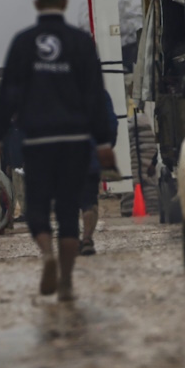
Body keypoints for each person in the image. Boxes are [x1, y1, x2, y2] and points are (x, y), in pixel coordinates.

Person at [0, 0, 117, 302]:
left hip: (38, 141)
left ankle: (47, 256)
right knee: (69, 211)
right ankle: (67, 282)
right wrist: (103, 143)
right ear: (66, 3)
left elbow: (7, 96)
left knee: (37, 208)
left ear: (37, 5)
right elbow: (95, 98)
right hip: (75, 141)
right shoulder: (82, 43)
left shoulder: (24, 43)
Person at [79, 90, 119, 256]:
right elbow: (111, 122)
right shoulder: (99, 94)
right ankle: (87, 238)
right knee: (89, 200)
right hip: (90, 156)